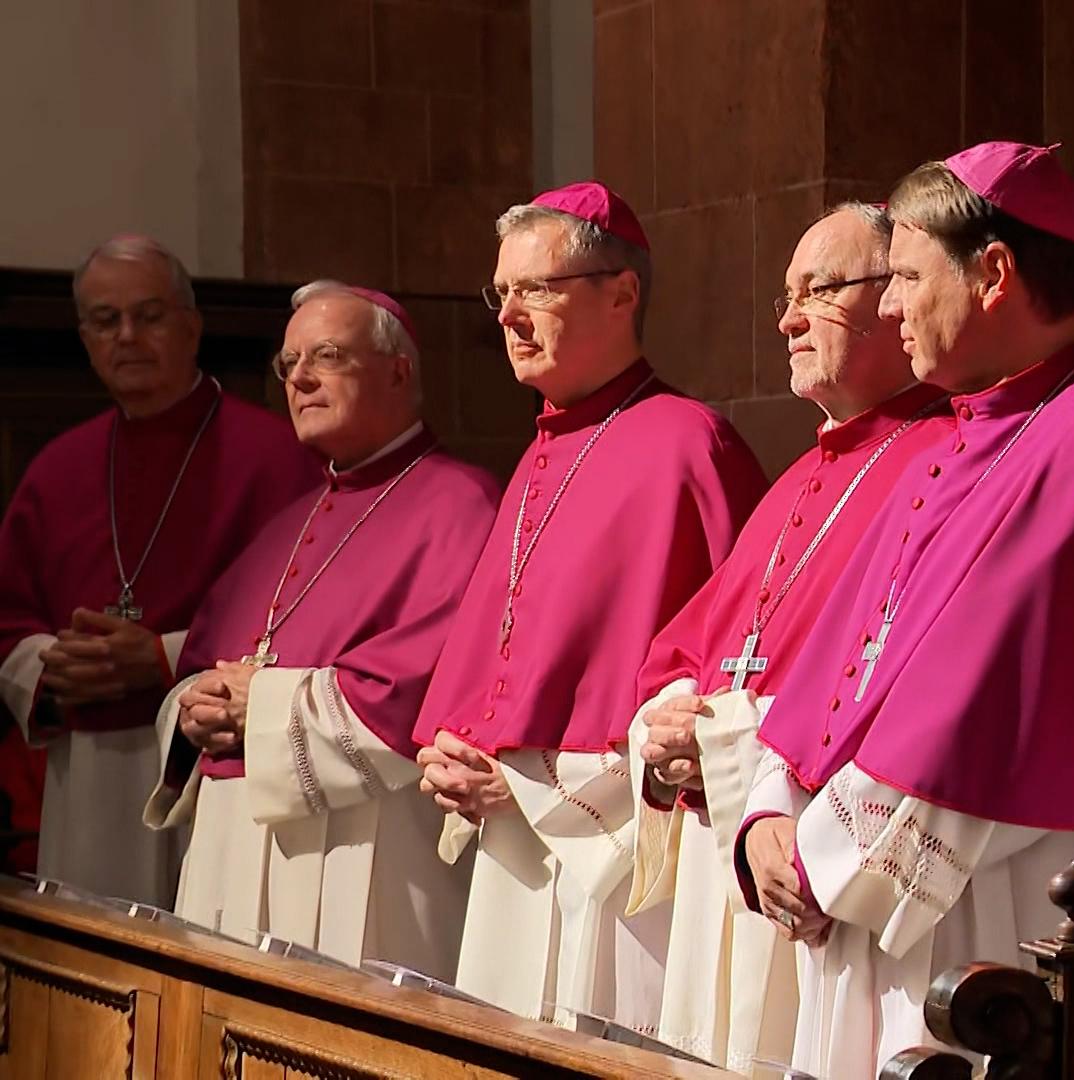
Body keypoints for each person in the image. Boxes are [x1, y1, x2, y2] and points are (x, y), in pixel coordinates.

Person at [735, 141, 1074, 1076]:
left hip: (1000, 915)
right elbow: (837, 671)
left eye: (907, 275)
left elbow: (984, 710)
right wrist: (766, 816)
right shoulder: (954, 439)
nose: (888, 304)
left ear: (993, 272)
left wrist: (817, 863)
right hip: (878, 900)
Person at [413, 181, 766, 1031]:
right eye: (500, 293)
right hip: (512, 851)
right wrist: (455, 752)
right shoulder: (537, 455)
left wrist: (538, 784)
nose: (509, 315)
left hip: (621, 861)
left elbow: (718, 684)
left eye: (535, 289)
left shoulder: (691, 445)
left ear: (622, 293)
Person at [626, 202, 953, 1071]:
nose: (792, 317)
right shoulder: (801, 475)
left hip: (812, 861)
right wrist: (662, 732)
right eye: (786, 296)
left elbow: (897, 692)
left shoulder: (944, 461)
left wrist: (728, 747)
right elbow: (689, 651)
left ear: (897, 299)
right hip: (725, 864)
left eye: (822, 289)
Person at [143, 282, 497, 976]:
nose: (299, 378)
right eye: (288, 363)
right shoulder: (289, 521)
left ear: (399, 371)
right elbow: (202, 667)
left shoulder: (462, 504)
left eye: (327, 356)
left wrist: (263, 706)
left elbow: (420, 690)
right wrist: (194, 711)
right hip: (230, 846)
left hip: (365, 846)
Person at [0, 235, 315, 906]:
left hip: (215, 760)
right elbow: (8, 612)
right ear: (84, 337)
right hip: (84, 779)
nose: (127, 337)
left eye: (149, 315)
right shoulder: (58, 469)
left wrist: (167, 657)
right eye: (105, 321)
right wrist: (50, 667)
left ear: (192, 325)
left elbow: (309, 611)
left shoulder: (277, 458)